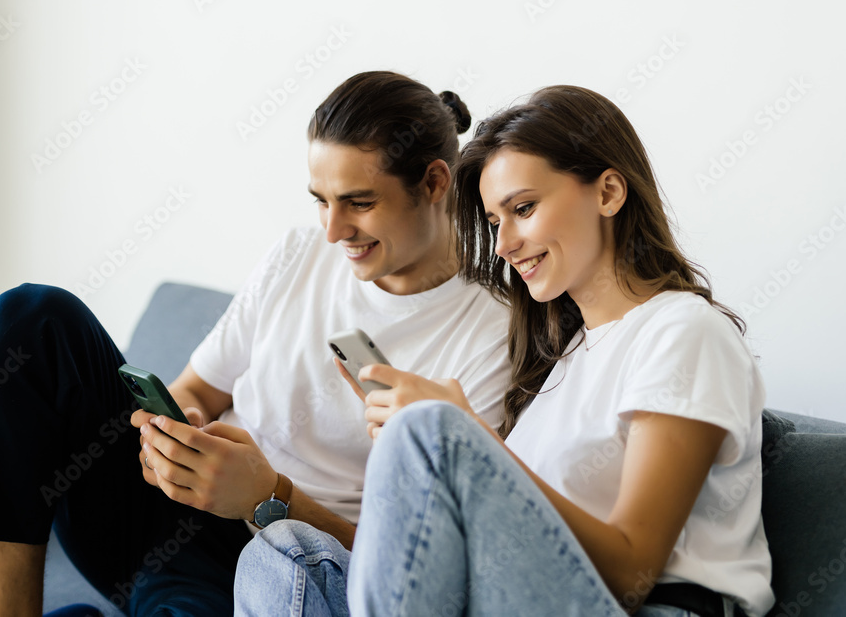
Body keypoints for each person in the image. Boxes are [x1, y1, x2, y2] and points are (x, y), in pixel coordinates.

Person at [0, 71, 512, 617]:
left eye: (359, 203)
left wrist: (266, 496)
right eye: (321, 202)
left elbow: (425, 569)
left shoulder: (492, 333)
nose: (333, 231)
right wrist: (176, 431)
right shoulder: (297, 255)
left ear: (434, 182)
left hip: (275, 570)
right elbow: (197, 388)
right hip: (168, 509)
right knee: (32, 317)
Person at [234, 85, 774, 617]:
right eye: (495, 222)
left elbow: (632, 575)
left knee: (433, 430)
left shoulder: (683, 331)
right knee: (284, 552)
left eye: (524, 208)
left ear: (608, 193)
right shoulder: (566, 357)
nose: (504, 244)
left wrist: (462, 438)